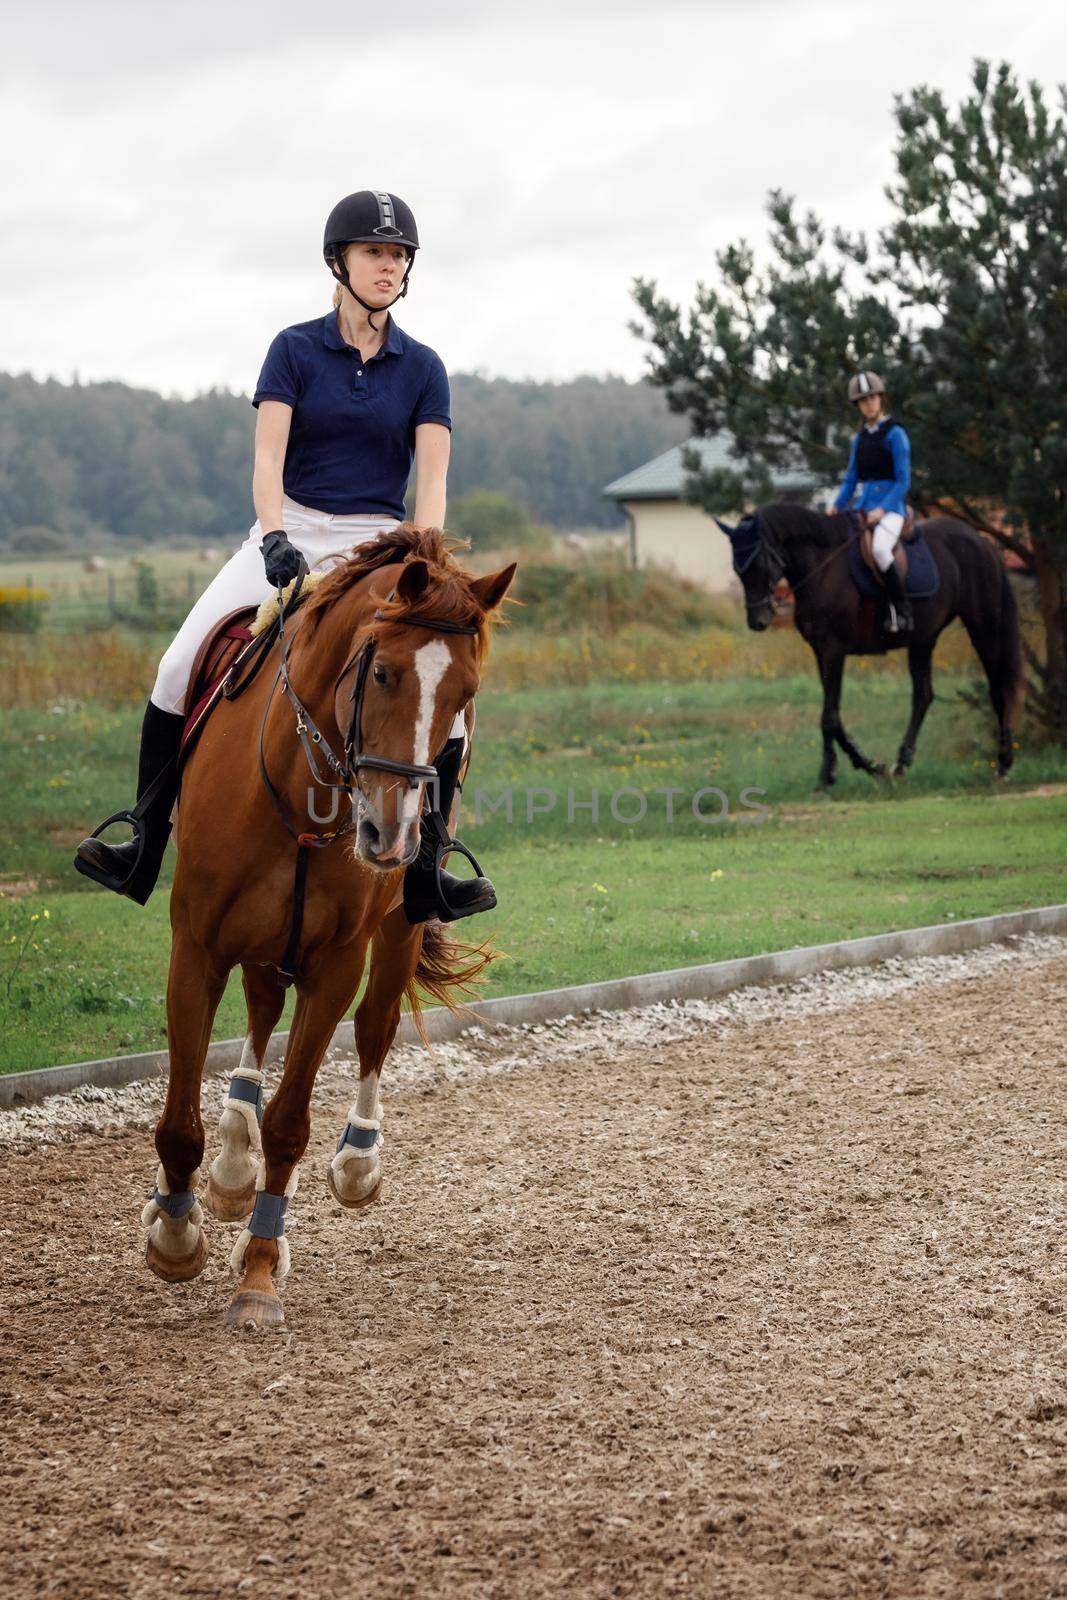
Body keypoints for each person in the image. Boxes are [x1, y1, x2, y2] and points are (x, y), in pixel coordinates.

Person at [74, 189, 495, 924]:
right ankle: (144, 838)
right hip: (291, 527)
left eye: (398, 256)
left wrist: (422, 564)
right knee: (177, 665)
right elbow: (267, 460)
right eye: (374, 253)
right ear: (340, 260)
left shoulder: (423, 367)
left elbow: (433, 480)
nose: (388, 266)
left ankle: (428, 872)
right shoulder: (294, 349)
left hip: (381, 547)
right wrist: (273, 535)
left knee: (446, 713)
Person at [833, 371, 913, 632]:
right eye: (863, 400)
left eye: (873, 398)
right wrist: (836, 505)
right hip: (863, 507)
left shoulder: (896, 434)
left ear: (881, 399)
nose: (869, 404)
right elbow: (851, 479)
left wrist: (883, 509)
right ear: (858, 406)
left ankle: (902, 611)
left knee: (879, 549)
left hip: (891, 509)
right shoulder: (859, 439)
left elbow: (903, 481)